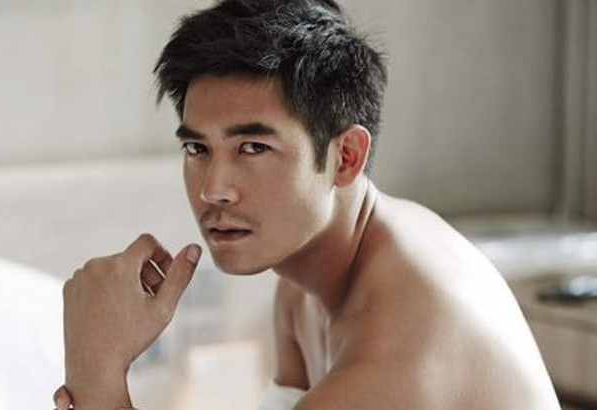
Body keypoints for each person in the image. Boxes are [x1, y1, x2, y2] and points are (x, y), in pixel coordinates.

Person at [54, 0, 561, 409]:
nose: (213, 189)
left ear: (346, 157)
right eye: (197, 148)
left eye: (253, 147)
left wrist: (96, 371)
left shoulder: (401, 345)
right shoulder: (304, 281)